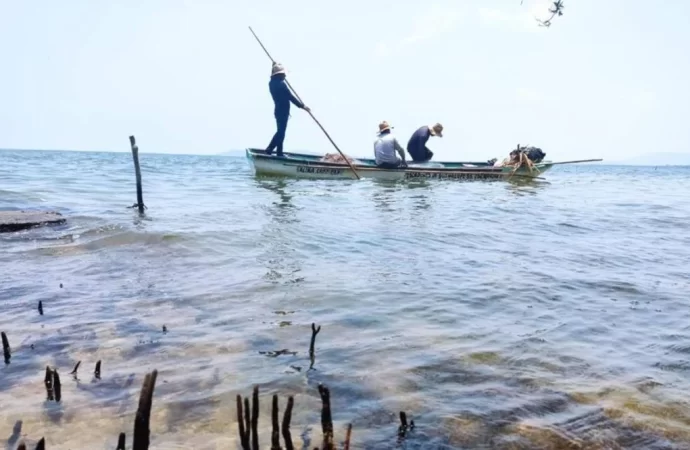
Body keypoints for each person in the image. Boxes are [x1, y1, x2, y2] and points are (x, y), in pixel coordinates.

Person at [265, 62, 310, 157]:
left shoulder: (272, 83)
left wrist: (273, 66)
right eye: (283, 74)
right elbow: (290, 97)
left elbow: (273, 77)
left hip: (278, 110)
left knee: (280, 132)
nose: (285, 75)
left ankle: (278, 152)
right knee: (281, 132)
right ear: (280, 74)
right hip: (283, 111)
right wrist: (302, 106)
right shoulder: (281, 84)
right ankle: (270, 150)